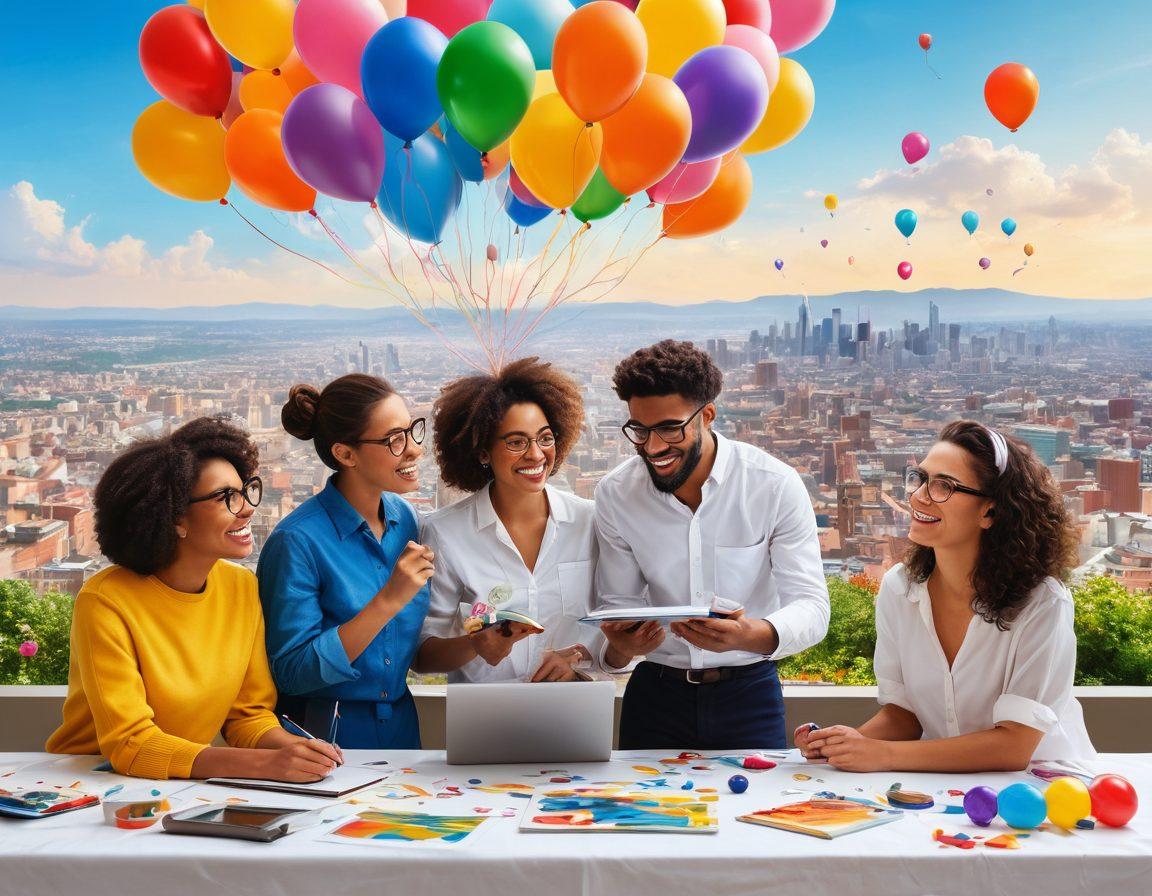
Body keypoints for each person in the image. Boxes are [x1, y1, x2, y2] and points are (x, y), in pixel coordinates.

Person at [47, 417, 341, 781]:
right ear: (174, 518)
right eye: (226, 498)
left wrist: (294, 749)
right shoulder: (106, 601)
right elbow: (131, 744)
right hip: (87, 787)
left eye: (245, 490)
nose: (248, 508)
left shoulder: (240, 587)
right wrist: (266, 765)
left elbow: (246, 716)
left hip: (174, 784)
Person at [798, 421, 1096, 771]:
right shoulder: (899, 588)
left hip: (1045, 791)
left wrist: (883, 755)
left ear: (990, 511)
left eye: (944, 486)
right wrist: (844, 746)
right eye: (921, 479)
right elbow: (905, 715)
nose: (919, 496)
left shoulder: (1043, 603)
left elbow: (1014, 745)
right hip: (946, 791)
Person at [593, 340, 830, 749]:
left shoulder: (773, 485)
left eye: (670, 428)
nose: (652, 447)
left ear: (707, 416)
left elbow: (813, 607)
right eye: (640, 430)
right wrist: (622, 642)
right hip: (654, 696)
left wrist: (748, 634)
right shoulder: (616, 493)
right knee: (644, 813)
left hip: (750, 693)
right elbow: (618, 602)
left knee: (754, 808)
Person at [258, 374, 433, 749]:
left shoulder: (406, 520)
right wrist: (388, 600)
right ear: (345, 454)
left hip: (402, 728)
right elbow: (291, 672)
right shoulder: (296, 542)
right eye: (394, 440)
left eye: (412, 431)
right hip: (324, 736)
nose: (414, 450)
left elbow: (407, 648)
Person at [416, 358, 603, 683]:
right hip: (486, 718)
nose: (536, 454)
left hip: (573, 711)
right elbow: (422, 656)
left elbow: (614, 624)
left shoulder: (591, 522)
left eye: (545, 438)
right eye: (516, 442)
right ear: (482, 452)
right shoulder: (445, 533)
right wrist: (475, 644)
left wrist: (579, 656)